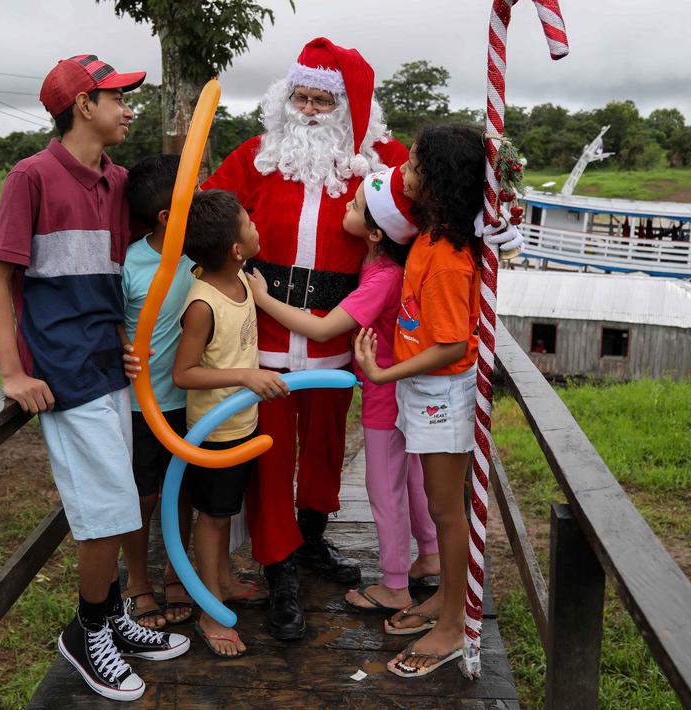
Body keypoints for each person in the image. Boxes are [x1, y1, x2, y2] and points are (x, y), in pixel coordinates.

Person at [0, 55, 188, 702]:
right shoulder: (32, 177)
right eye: (117, 98)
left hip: (109, 364)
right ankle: (86, 634)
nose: (129, 108)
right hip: (66, 374)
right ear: (81, 105)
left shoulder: (116, 180)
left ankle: (109, 617)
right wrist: (13, 372)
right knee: (106, 515)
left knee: (117, 502)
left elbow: (118, 271)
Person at [204, 36, 410, 641]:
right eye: (303, 96)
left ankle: (312, 538)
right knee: (271, 455)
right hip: (261, 341)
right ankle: (279, 567)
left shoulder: (380, 162)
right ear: (285, 97)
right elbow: (202, 214)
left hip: (340, 340)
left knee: (323, 449)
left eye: (325, 100)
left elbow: (434, 192)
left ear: (349, 108)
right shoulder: (255, 156)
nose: (311, 110)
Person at [246, 167, 438, 614]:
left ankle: (393, 582)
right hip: (391, 385)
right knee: (410, 479)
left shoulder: (381, 277)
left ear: (373, 233)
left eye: (352, 207)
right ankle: (427, 554)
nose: (344, 208)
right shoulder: (380, 264)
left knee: (384, 487)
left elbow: (322, 326)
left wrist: (263, 298)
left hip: (381, 390)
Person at [353, 123, 501, 678]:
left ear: (437, 181)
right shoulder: (432, 240)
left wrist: (383, 372)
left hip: (440, 392)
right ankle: (447, 600)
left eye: (413, 166)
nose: (404, 174)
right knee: (444, 510)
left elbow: (449, 346)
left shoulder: (444, 257)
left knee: (446, 511)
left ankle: (455, 624)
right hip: (427, 390)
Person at [172, 189, 290, 658]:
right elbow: (184, 373)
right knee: (215, 519)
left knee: (227, 512)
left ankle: (220, 580)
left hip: (242, 423)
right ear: (236, 248)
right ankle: (209, 608)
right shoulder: (202, 303)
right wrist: (246, 375)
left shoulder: (240, 277)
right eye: (250, 223)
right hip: (215, 432)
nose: (257, 226)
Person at [120, 154, 197, 629]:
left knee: (181, 489)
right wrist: (121, 347)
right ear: (167, 216)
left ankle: (176, 571)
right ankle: (136, 582)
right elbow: (111, 320)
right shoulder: (130, 262)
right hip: (140, 404)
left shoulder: (203, 254)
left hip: (193, 402)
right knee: (143, 495)